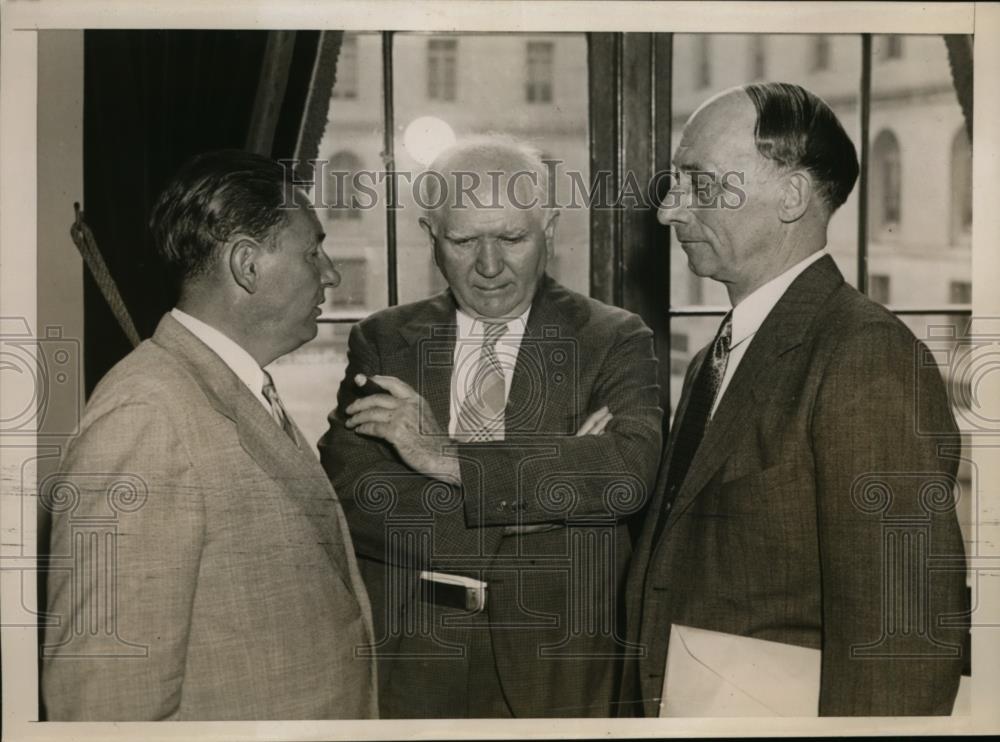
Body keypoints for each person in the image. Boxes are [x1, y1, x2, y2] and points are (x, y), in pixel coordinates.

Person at [624, 82, 968, 717]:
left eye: (699, 184)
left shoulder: (865, 357)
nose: (669, 211)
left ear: (790, 196)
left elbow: (902, 645)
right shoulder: (715, 358)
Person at [318, 136, 663, 718]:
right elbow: (353, 495)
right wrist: (550, 495)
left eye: (511, 238)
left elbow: (625, 475)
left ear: (549, 225)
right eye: (462, 239)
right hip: (414, 659)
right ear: (430, 236)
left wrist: (444, 459)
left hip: (557, 667)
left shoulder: (614, 337)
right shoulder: (383, 339)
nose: (488, 266)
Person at [42, 150, 377, 720]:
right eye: (312, 251)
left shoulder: (230, 387)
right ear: (247, 265)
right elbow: (104, 705)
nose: (331, 273)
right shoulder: (147, 417)